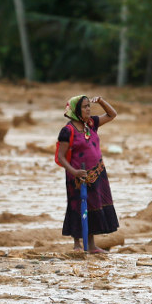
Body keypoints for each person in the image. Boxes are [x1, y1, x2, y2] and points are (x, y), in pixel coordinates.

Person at [56, 95, 119, 252]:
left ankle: (91, 246)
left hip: (97, 174)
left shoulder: (91, 124)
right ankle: (77, 244)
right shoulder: (67, 131)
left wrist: (101, 101)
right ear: (76, 110)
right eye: (84, 107)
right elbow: (60, 157)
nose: (88, 109)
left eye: (88, 106)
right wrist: (74, 172)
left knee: (93, 206)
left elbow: (112, 115)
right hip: (78, 175)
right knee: (77, 206)